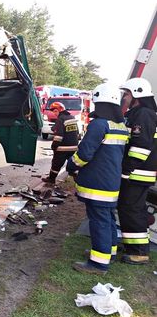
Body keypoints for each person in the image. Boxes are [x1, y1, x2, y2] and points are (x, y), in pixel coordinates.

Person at [67, 83, 128, 275]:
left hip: (97, 183)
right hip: (111, 182)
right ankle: (108, 252)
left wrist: (71, 165)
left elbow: (84, 154)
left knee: (99, 221)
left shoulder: (99, 124)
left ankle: (98, 264)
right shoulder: (120, 125)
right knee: (108, 219)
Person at [117, 77, 157, 265]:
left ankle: (140, 252)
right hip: (137, 172)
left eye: (127, 93)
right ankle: (133, 246)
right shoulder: (140, 113)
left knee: (131, 209)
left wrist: (126, 169)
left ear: (137, 94)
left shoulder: (144, 114)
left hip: (138, 172)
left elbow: (141, 145)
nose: (125, 97)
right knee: (131, 209)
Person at [42, 101, 79, 184]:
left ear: (58, 110)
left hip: (63, 147)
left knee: (56, 164)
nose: (54, 114)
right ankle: (78, 180)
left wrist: (54, 146)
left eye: (54, 111)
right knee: (73, 164)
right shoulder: (72, 117)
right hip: (73, 147)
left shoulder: (60, 119)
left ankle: (51, 179)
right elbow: (77, 132)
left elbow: (59, 135)